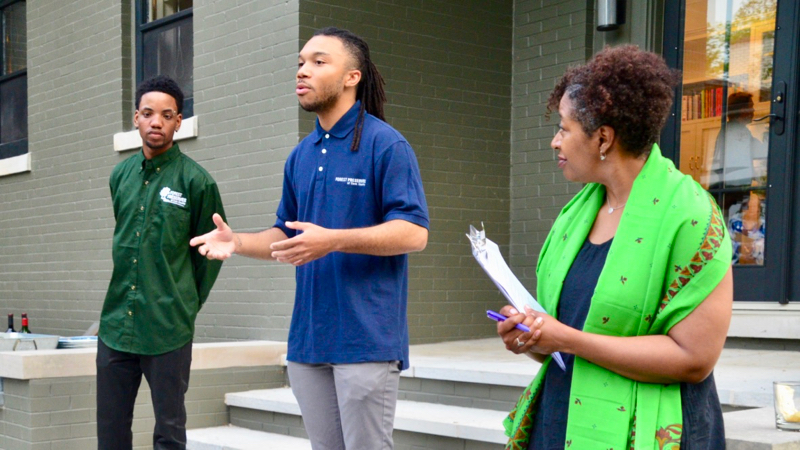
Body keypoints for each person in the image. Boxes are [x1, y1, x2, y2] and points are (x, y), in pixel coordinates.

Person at [190, 27, 429, 450]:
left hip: (366, 342)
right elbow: (287, 232)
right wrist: (239, 242)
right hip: (308, 342)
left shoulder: (385, 145)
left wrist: (333, 240)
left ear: (352, 76)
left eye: (319, 62)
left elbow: (413, 233)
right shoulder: (300, 155)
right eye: (301, 62)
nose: (303, 71)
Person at [495, 46, 733, 450]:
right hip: (561, 420)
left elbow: (694, 358)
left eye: (564, 128)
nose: (555, 142)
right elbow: (567, 338)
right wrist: (533, 336)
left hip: (653, 431)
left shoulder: (690, 216)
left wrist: (565, 338)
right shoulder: (580, 212)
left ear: (603, 137)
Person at [97, 75, 226, 450]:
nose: (157, 122)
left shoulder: (197, 182)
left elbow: (210, 255)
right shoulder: (120, 175)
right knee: (111, 429)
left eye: (166, 115)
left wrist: (184, 303)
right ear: (136, 118)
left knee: (169, 431)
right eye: (149, 113)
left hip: (169, 326)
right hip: (116, 324)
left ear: (178, 122)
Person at [709, 91, 768, 188]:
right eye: (751, 106)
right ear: (743, 110)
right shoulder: (738, 131)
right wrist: (768, 134)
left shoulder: (731, 129)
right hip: (733, 187)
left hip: (727, 185)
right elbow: (762, 151)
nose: (753, 110)